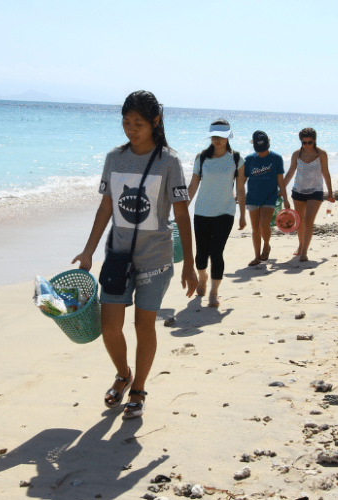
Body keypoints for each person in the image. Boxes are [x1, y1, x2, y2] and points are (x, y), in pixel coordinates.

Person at [72, 91, 198, 420]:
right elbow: (105, 207)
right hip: (118, 255)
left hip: (156, 258)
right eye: (126, 122)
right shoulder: (115, 159)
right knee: (110, 326)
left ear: (156, 122)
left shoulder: (169, 162)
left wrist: (191, 266)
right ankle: (123, 373)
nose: (131, 129)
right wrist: (88, 251)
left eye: (138, 123)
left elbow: (182, 215)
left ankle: (139, 387)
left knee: (144, 326)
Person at [186, 119, 246, 307]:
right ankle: (202, 277)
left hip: (225, 212)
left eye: (221, 136)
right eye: (214, 136)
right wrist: (181, 209)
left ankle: (214, 292)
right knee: (201, 255)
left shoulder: (236, 159)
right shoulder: (201, 158)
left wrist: (243, 215)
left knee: (216, 252)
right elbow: (193, 185)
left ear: (228, 137)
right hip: (202, 212)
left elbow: (241, 189)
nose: (217, 140)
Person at [283, 127, 335, 261]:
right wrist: (281, 188)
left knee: (309, 221)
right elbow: (290, 172)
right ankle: (301, 246)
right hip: (298, 190)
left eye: (309, 142)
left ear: (315, 140)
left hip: (316, 191)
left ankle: (304, 251)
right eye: (304, 142)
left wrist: (330, 192)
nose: (306, 145)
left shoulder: (321, 154)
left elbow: (326, 173)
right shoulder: (297, 154)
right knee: (299, 222)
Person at [241, 130, 289, 266]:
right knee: (255, 228)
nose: (261, 152)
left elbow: (281, 180)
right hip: (252, 197)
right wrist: (238, 194)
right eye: (259, 149)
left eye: (264, 149)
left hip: (270, 197)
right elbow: (243, 179)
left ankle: (266, 245)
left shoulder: (276, 158)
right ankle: (256, 257)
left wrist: (285, 198)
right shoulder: (249, 160)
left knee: (264, 224)